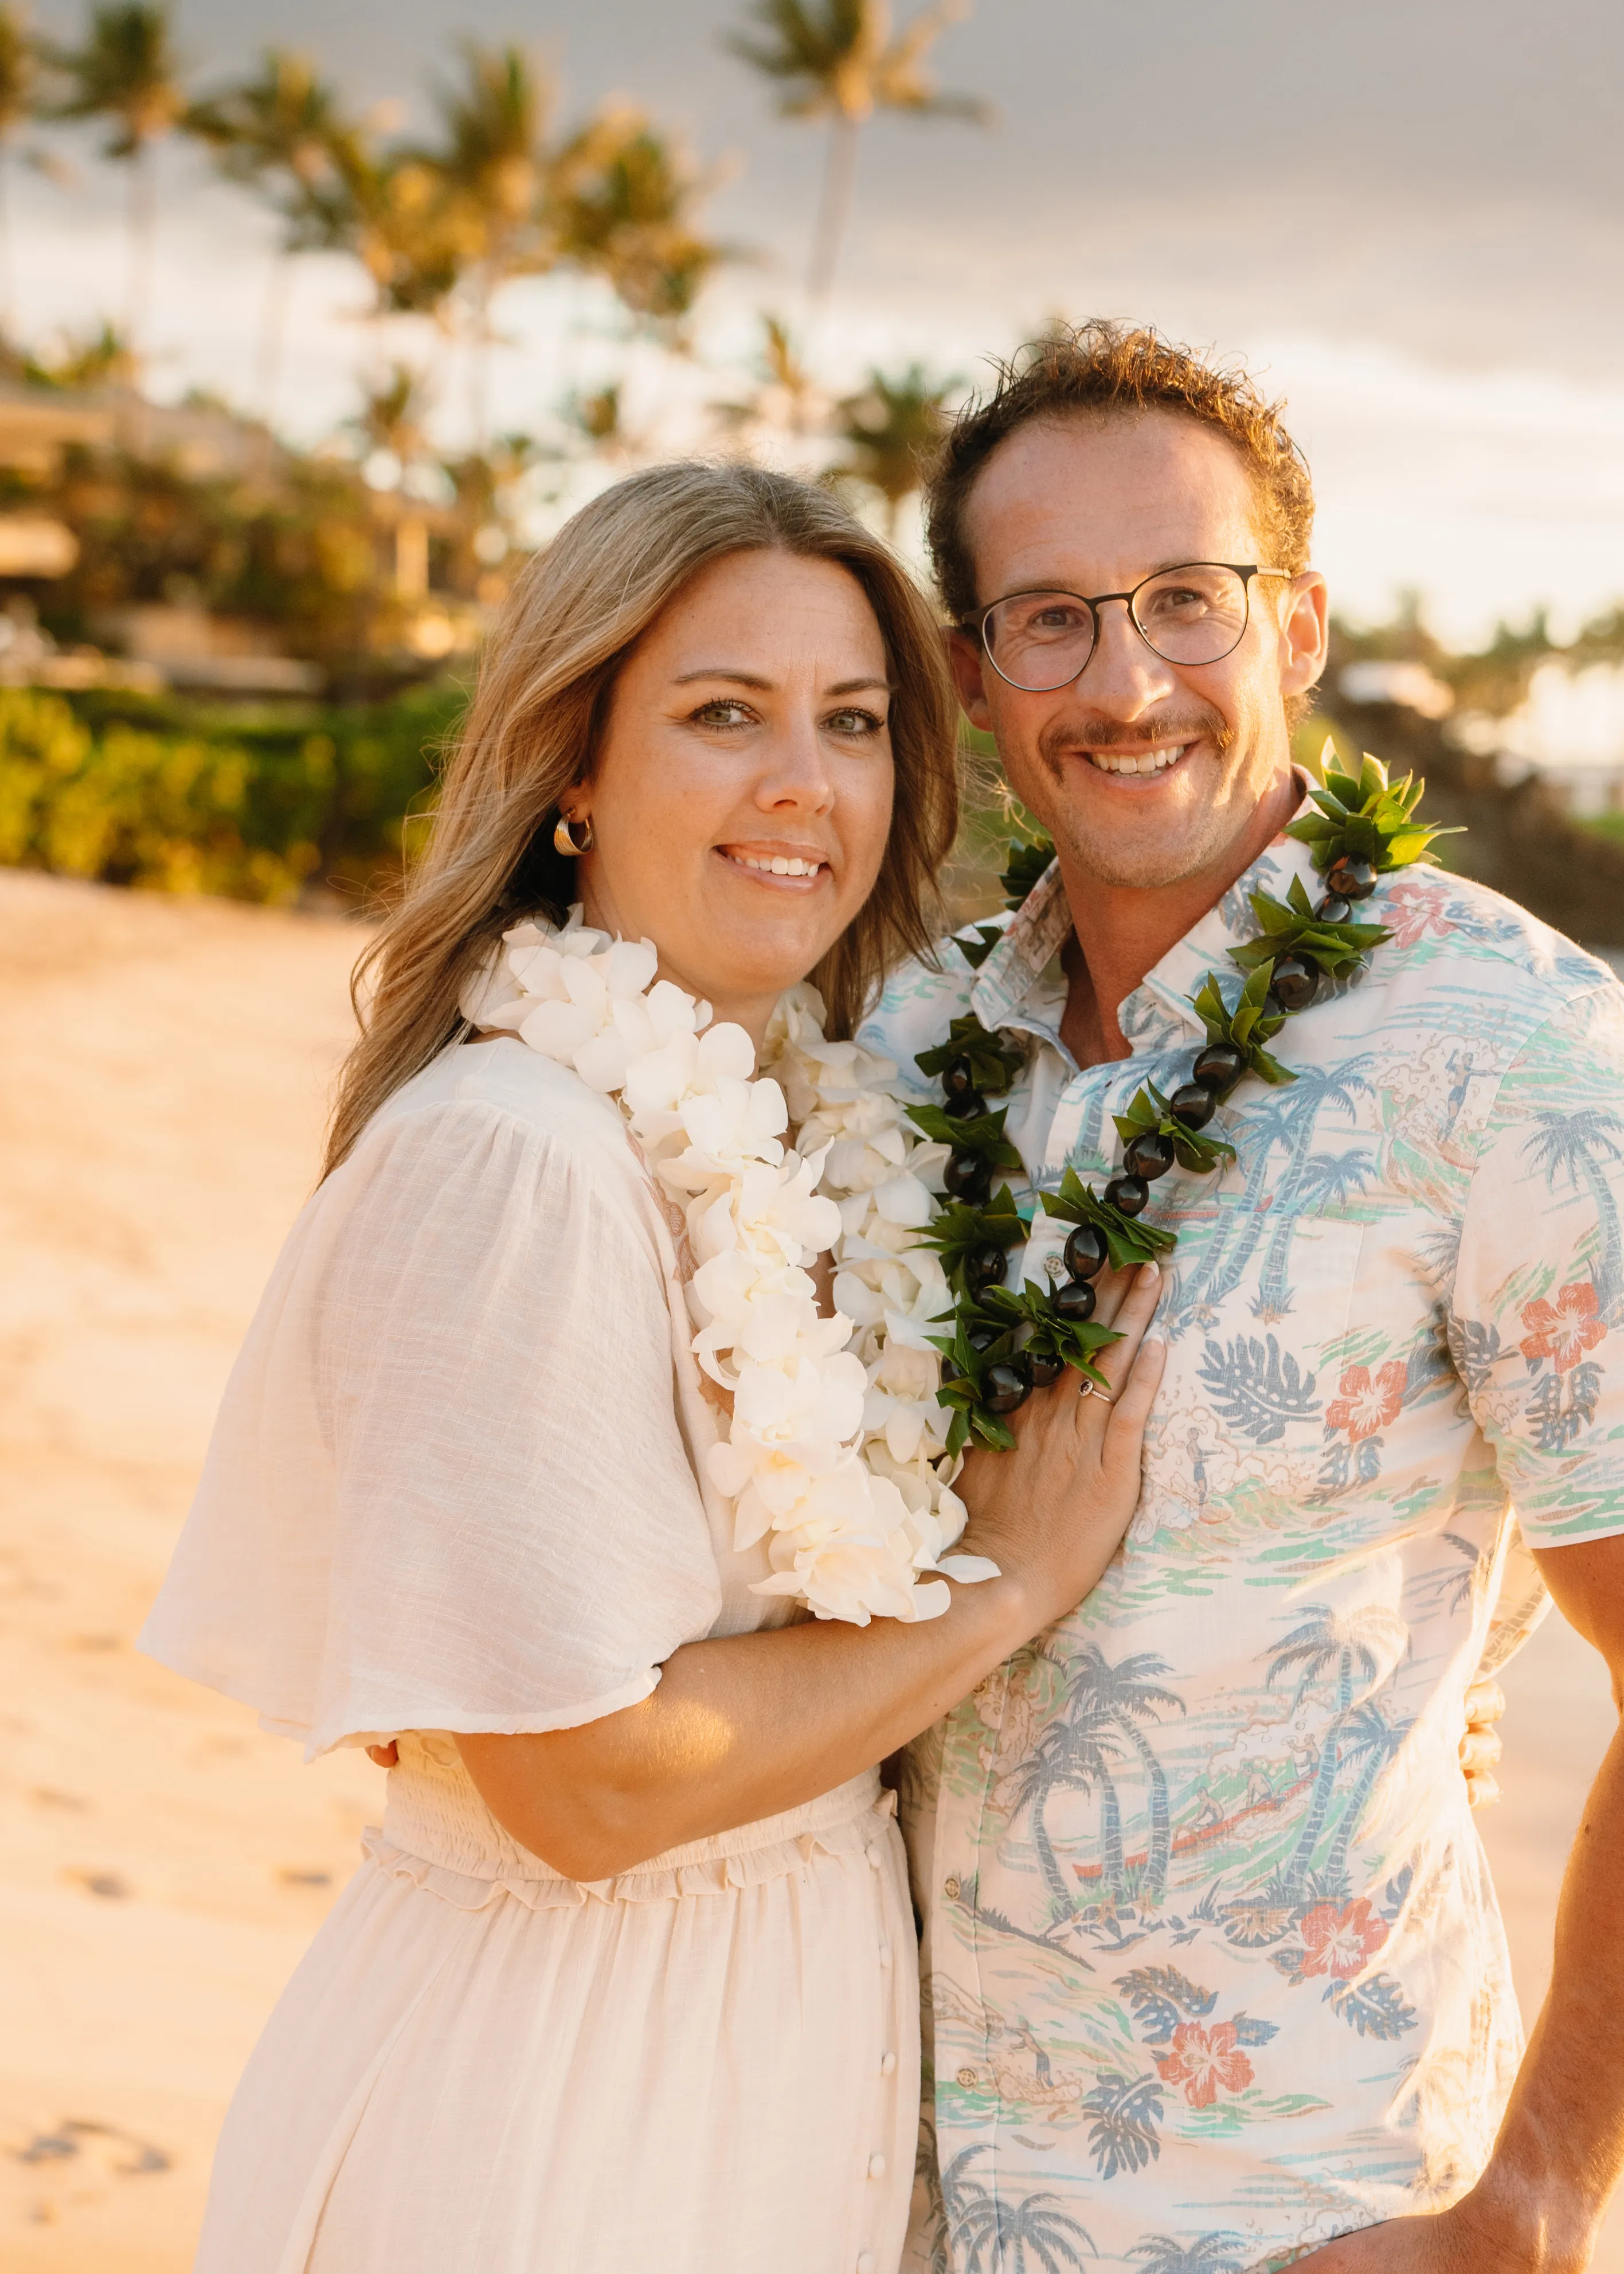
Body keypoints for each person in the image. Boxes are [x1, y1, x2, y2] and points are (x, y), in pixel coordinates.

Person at [136, 461, 1167, 2274]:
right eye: (723, 714)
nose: (804, 784)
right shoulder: (520, 1154)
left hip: (751, 2100)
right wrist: (1007, 1582)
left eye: (854, 724)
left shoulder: (798, 1135)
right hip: (556, 2121)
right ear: (575, 768)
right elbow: (584, 1782)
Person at [860, 323, 1624, 2273]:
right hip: (875, 2176)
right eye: (1048, 618)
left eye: (1186, 601)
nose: (1126, 684)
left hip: (1298, 2199)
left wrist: (1540, 2192)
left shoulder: (1515, 1049)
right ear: (972, 674)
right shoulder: (911, 1039)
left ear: (1295, 629)